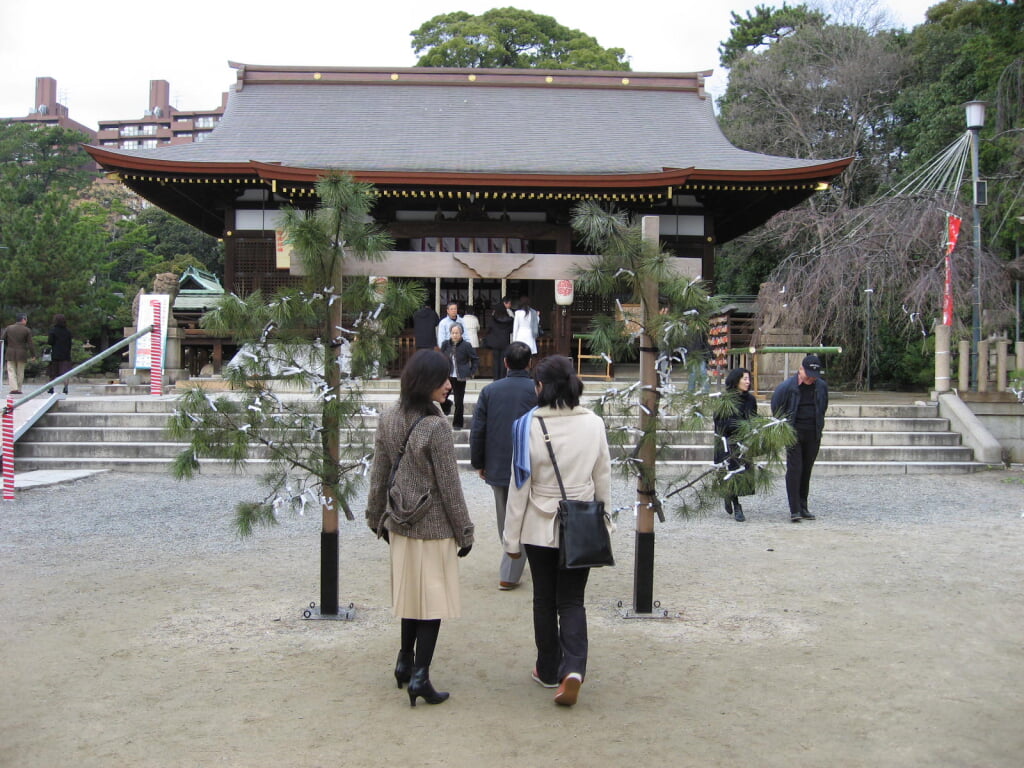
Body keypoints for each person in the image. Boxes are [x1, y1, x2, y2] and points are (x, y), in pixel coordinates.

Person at [365, 349, 475, 707]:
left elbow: (379, 472)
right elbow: (450, 486)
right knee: (433, 602)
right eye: (443, 379)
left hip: (398, 522)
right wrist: (465, 530)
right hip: (434, 527)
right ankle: (420, 677)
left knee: (411, 596)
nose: (449, 385)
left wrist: (375, 516)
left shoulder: (389, 417)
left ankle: (404, 660)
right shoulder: (436, 425)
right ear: (426, 382)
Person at [504, 355, 611, 707]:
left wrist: (511, 540)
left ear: (541, 387)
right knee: (572, 600)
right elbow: (602, 476)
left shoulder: (526, 425)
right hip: (580, 522)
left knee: (544, 599)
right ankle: (575, 668)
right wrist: (604, 521)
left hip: (538, 523)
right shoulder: (594, 423)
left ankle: (548, 669)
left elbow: (520, 485)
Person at [469, 341, 537, 591]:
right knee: (529, 513)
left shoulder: (490, 391)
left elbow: (479, 430)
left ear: (505, 363)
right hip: (530, 462)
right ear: (529, 363)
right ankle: (516, 564)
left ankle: (510, 568)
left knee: (505, 515)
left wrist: (479, 461)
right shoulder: (536, 390)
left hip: (498, 462)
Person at [771, 354, 829, 523]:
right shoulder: (787, 387)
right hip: (793, 432)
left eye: (814, 375)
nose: (811, 378)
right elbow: (776, 407)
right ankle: (794, 508)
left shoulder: (821, 387)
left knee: (807, 469)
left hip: (813, 432)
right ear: (801, 369)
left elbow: (823, 407)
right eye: (808, 373)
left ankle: (803, 506)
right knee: (795, 469)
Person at [713, 367, 757, 522]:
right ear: (736, 380)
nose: (748, 382)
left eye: (748, 379)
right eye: (744, 379)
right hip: (727, 440)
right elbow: (719, 422)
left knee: (742, 474)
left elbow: (753, 418)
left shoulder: (750, 400)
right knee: (730, 471)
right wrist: (739, 425)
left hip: (744, 441)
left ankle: (729, 495)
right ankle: (736, 504)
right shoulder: (725, 399)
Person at [439, 323, 479, 430]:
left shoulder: (466, 345)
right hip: (448, 376)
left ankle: (457, 423)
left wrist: (471, 371)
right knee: (442, 396)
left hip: (460, 377)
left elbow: (475, 359)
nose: (455, 335)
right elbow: (440, 357)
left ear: (461, 333)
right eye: (453, 333)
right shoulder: (445, 344)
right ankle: (447, 405)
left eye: (457, 333)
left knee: (459, 401)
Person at [1, 313, 37, 395]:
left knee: (11, 371)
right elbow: (30, 344)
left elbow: (2, 339)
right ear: (23, 320)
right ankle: (19, 388)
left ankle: (14, 388)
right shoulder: (26, 330)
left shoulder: (9, 328)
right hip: (22, 353)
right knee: (20, 371)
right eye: (26, 319)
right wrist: (33, 355)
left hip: (10, 352)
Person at [483, 296, 514, 379]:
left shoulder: (493, 319)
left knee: (496, 361)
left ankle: (496, 378)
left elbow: (489, 329)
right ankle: (502, 378)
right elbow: (511, 330)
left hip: (495, 343)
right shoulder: (509, 320)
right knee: (504, 361)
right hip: (505, 342)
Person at [46, 314, 74, 395]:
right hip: (66, 355)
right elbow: (70, 343)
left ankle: (51, 388)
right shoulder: (68, 332)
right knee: (65, 373)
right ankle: (65, 388)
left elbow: (50, 342)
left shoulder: (53, 331)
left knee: (53, 373)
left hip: (55, 354)